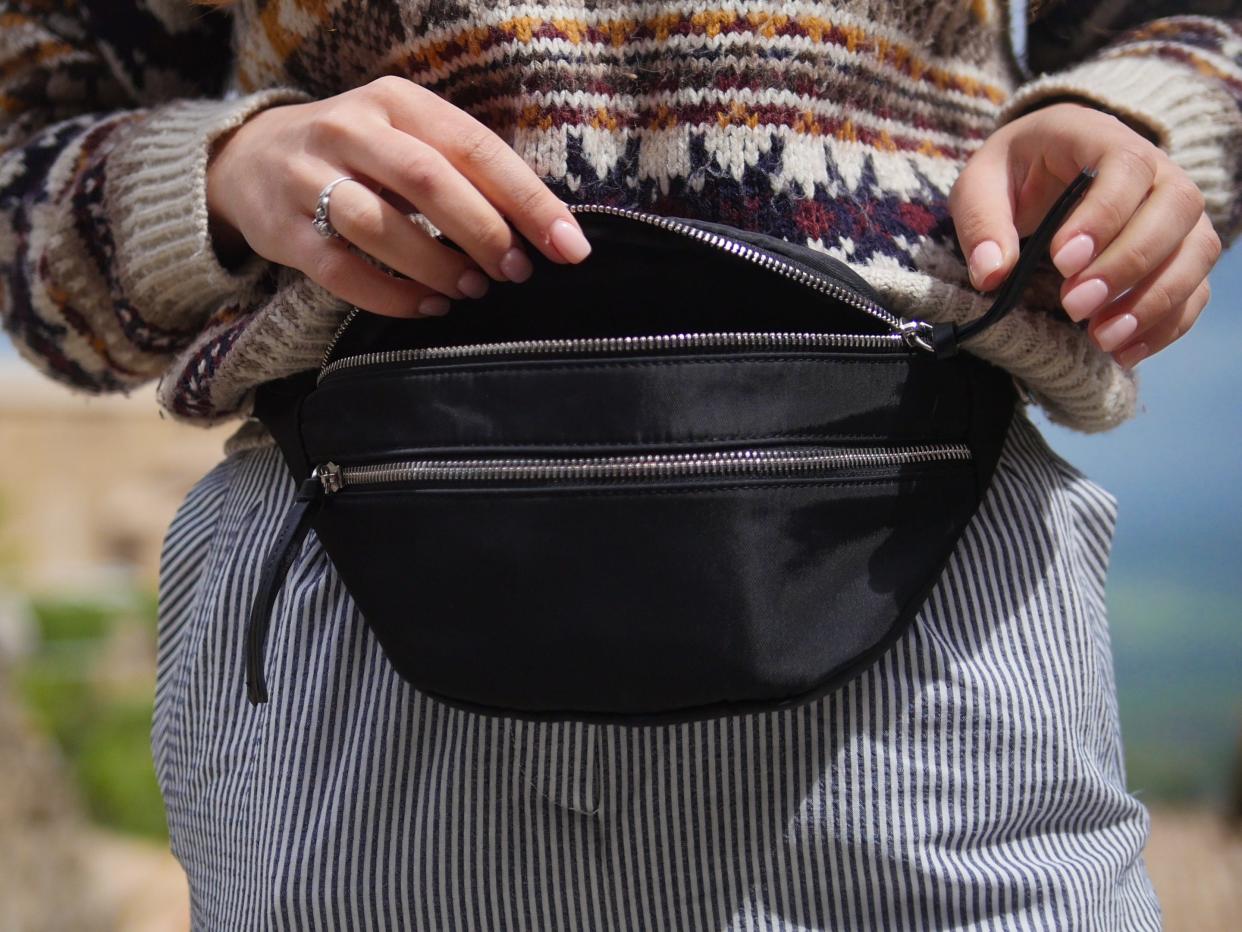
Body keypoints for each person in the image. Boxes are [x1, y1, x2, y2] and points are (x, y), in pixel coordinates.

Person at [1, 0, 1235, 927]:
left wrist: (1141, 128)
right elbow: (28, 140)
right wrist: (217, 179)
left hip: (925, 594)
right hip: (360, 622)